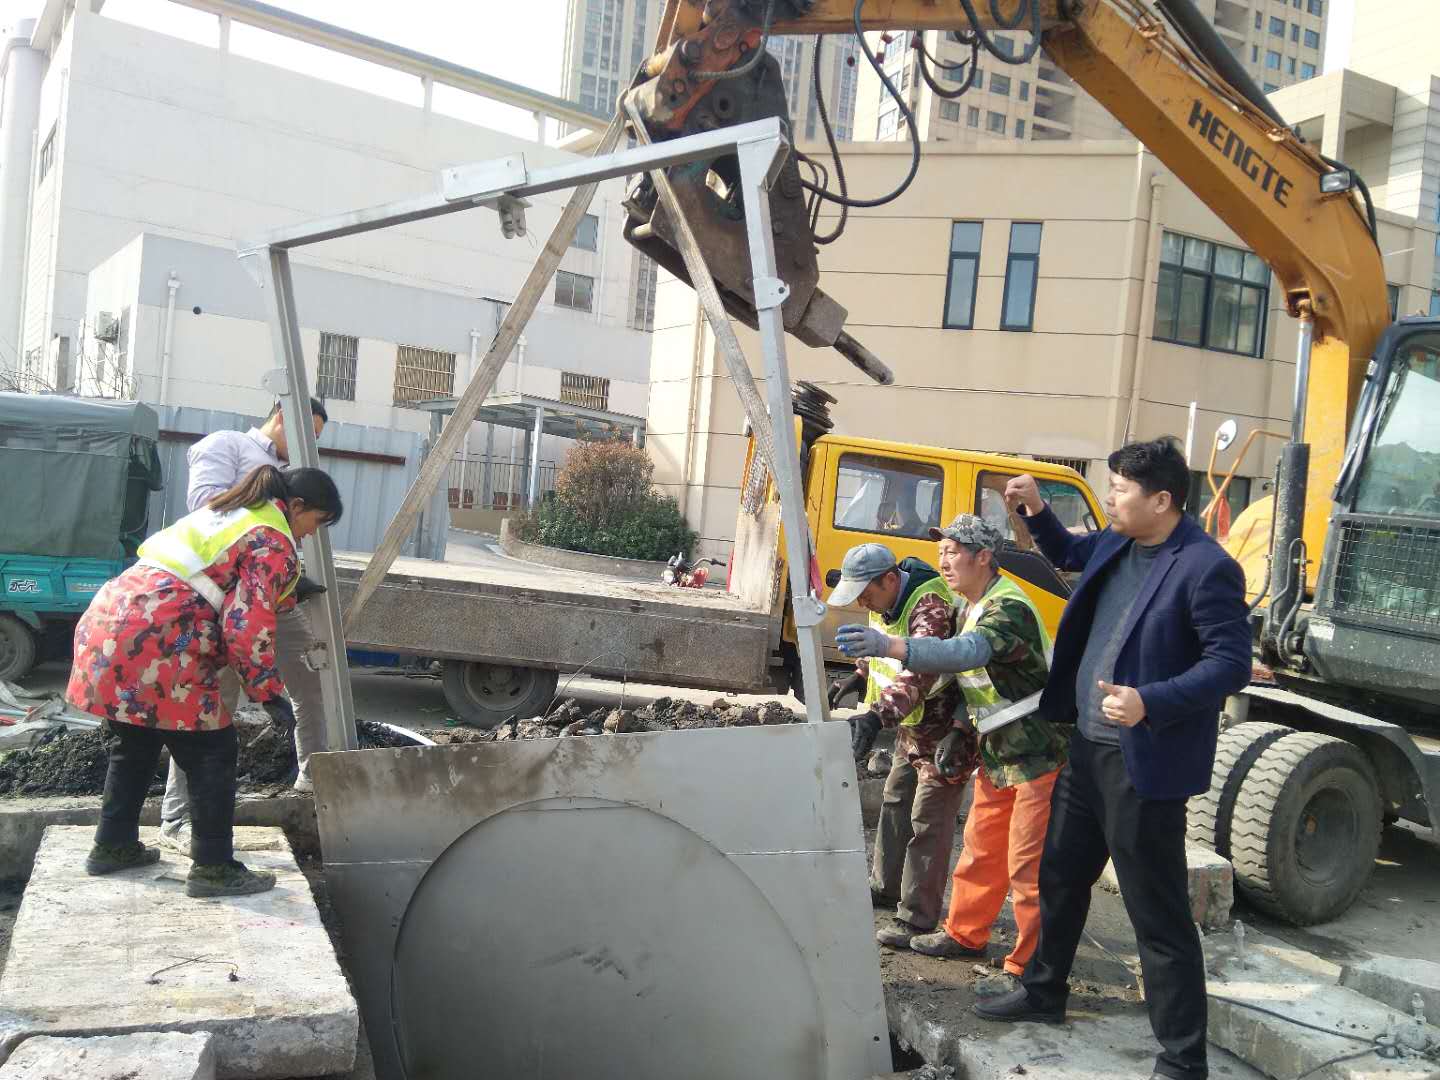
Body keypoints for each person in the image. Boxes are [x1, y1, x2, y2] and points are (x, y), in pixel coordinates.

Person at [972, 440, 1250, 1080]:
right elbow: (1069, 553)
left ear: (1162, 500)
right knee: (1060, 878)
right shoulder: (1119, 541)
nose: (1112, 499)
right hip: (1087, 749)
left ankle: (1183, 1061)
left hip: (1143, 762)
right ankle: (1044, 992)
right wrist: (1037, 511)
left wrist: (1149, 701)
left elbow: (1230, 664)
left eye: (1121, 490)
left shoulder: (1206, 568)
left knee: (1157, 914)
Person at [69, 465, 344, 897]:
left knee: (135, 743)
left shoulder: (228, 512)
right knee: (213, 751)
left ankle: (113, 844)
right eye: (316, 523)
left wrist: (287, 590)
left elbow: (216, 576)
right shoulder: (273, 537)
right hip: (161, 639)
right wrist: (267, 692)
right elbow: (245, 624)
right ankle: (214, 868)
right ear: (296, 507)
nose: (311, 535)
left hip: (111, 625)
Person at [837, 514, 1064, 981]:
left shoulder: (1007, 608)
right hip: (997, 749)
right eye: (940, 550)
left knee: (1026, 865)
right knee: (981, 849)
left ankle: (1030, 968)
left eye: (954, 552)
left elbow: (967, 656)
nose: (943, 559)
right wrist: (962, 728)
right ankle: (964, 933)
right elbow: (970, 684)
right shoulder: (969, 606)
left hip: (1037, 751)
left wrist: (892, 645)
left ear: (983, 557)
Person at [161, 398, 330, 859]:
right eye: (303, 431)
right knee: (210, 703)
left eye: (315, 437)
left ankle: (312, 784)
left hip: (273, 594)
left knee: (313, 683)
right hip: (224, 598)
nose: (308, 444)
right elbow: (205, 510)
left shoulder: (292, 476)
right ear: (279, 414)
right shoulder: (227, 445)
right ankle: (178, 817)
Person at [826, 542, 971, 950]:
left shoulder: (929, 607)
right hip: (911, 725)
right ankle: (884, 886)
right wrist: (858, 675)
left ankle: (918, 917)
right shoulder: (886, 600)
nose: (863, 602)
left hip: (944, 730)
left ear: (890, 579)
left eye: (867, 593)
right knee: (895, 802)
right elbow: (882, 645)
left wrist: (876, 717)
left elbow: (920, 671)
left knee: (929, 820)